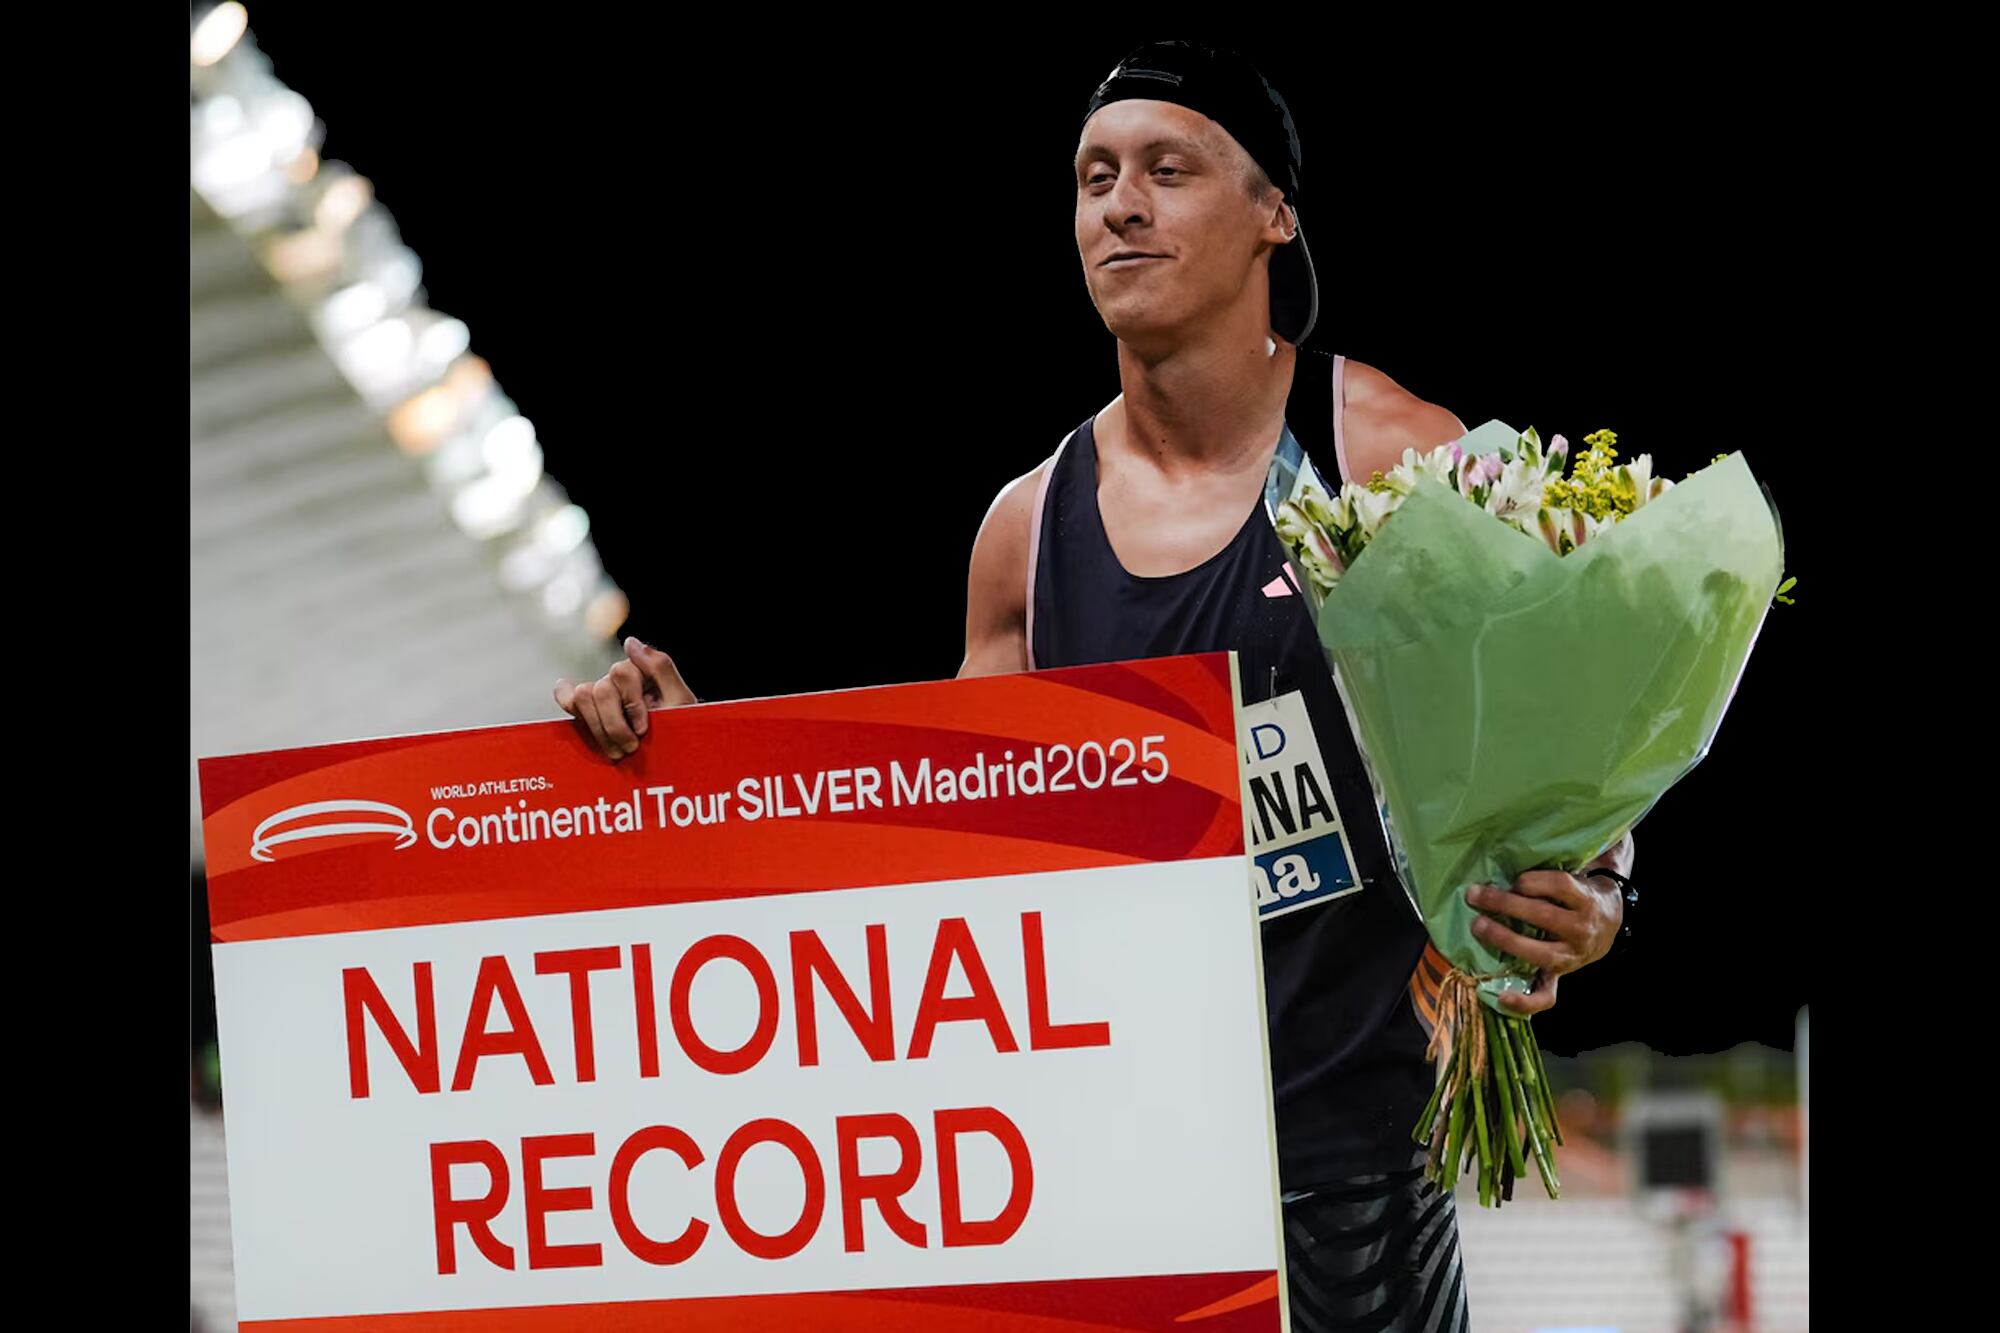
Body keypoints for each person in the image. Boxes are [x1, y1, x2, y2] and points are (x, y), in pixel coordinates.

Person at [557, 40, 1634, 1332]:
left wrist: (1596, 889)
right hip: (1116, 1181)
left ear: (1274, 213)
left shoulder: (1392, 459)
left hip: (1354, 1191)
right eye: (1094, 177)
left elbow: (1560, 749)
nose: (1120, 205)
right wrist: (704, 773)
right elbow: (950, 846)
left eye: (1167, 171)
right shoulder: (1028, 534)